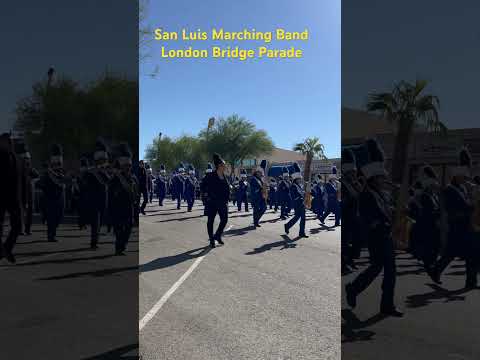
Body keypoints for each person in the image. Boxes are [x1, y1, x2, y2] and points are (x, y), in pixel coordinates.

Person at [345, 139, 402, 317]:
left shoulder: (382, 194)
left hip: (387, 236)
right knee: (382, 269)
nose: (384, 179)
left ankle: (382, 303)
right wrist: (381, 223)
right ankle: (355, 290)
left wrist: (396, 208)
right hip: (377, 238)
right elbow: (368, 217)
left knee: (383, 269)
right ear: (373, 178)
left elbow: (387, 211)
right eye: (381, 177)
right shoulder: (366, 195)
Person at [431, 147, 477, 288]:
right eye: (463, 176)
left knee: (466, 254)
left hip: (465, 226)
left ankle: (470, 282)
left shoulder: (462, 189)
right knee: (455, 253)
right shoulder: (450, 190)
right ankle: (436, 271)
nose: (466, 179)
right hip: (457, 226)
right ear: (457, 176)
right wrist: (473, 197)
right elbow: (465, 207)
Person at [109, 143, 137, 255]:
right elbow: (111, 191)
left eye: (129, 166)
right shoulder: (116, 178)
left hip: (129, 206)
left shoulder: (133, 177)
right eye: (126, 166)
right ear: (121, 165)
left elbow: (135, 191)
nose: (128, 168)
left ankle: (122, 245)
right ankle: (118, 248)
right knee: (119, 228)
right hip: (118, 206)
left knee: (129, 227)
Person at [84, 139, 111, 249]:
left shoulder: (106, 171)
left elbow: (109, 181)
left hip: (103, 198)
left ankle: (96, 240)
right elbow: (85, 183)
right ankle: (94, 242)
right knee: (96, 221)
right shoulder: (90, 172)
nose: (103, 161)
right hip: (93, 198)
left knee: (100, 221)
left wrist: (104, 172)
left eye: (104, 159)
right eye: (101, 160)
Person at [37, 144, 66, 243]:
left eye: (59, 163)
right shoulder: (47, 173)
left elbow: (62, 180)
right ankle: (51, 235)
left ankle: (52, 233)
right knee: (51, 218)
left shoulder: (61, 171)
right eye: (55, 163)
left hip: (60, 197)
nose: (57, 165)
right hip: (50, 197)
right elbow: (40, 184)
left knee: (59, 216)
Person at [0, 133, 22, 263]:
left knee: (18, 226)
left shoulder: (18, 158)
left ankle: (7, 248)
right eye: (7, 140)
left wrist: (23, 199)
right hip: (0, 196)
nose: (10, 142)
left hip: (15, 198)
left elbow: (23, 180)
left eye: (11, 140)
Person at [202, 154, 230, 248]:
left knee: (224, 219)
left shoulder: (224, 176)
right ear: (219, 166)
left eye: (225, 165)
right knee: (210, 221)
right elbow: (202, 186)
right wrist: (206, 196)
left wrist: (227, 198)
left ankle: (217, 235)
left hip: (222, 202)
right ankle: (211, 240)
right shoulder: (210, 175)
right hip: (212, 202)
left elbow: (226, 189)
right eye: (223, 165)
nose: (225, 166)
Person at [284, 163, 308, 238]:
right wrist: (301, 197)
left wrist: (306, 193)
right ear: (296, 179)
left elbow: (302, 193)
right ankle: (287, 226)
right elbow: (294, 196)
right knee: (297, 217)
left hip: (302, 204)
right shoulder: (293, 186)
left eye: (300, 178)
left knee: (303, 218)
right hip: (297, 204)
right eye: (299, 179)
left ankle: (301, 233)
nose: (300, 179)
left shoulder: (300, 186)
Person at [250, 161, 267, 227]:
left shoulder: (261, 179)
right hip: (256, 197)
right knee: (256, 210)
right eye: (259, 172)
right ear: (256, 173)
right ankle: (255, 222)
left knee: (264, 208)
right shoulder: (253, 179)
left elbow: (263, 187)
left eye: (261, 172)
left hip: (262, 196)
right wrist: (260, 189)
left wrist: (265, 188)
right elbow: (253, 189)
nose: (260, 173)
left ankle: (256, 219)